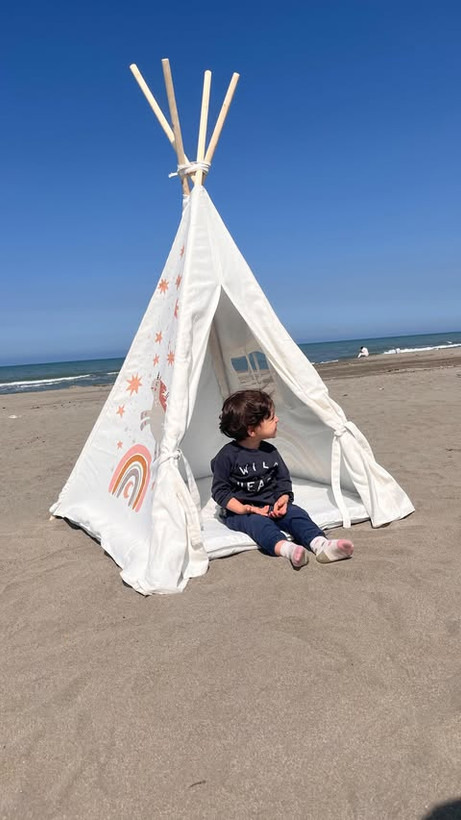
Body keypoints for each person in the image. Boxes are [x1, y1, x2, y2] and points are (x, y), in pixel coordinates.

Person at [211, 389, 354, 569]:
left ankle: (321, 545)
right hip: (241, 512)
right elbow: (220, 491)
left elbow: (283, 480)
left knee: (297, 515)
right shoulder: (227, 456)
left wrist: (283, 499)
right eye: (271, 418)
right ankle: (288, 550)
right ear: (252, 430)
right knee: (259, 525)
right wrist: (246, 508)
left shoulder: (270, 452)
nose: (277, 419)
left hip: (272, 506)